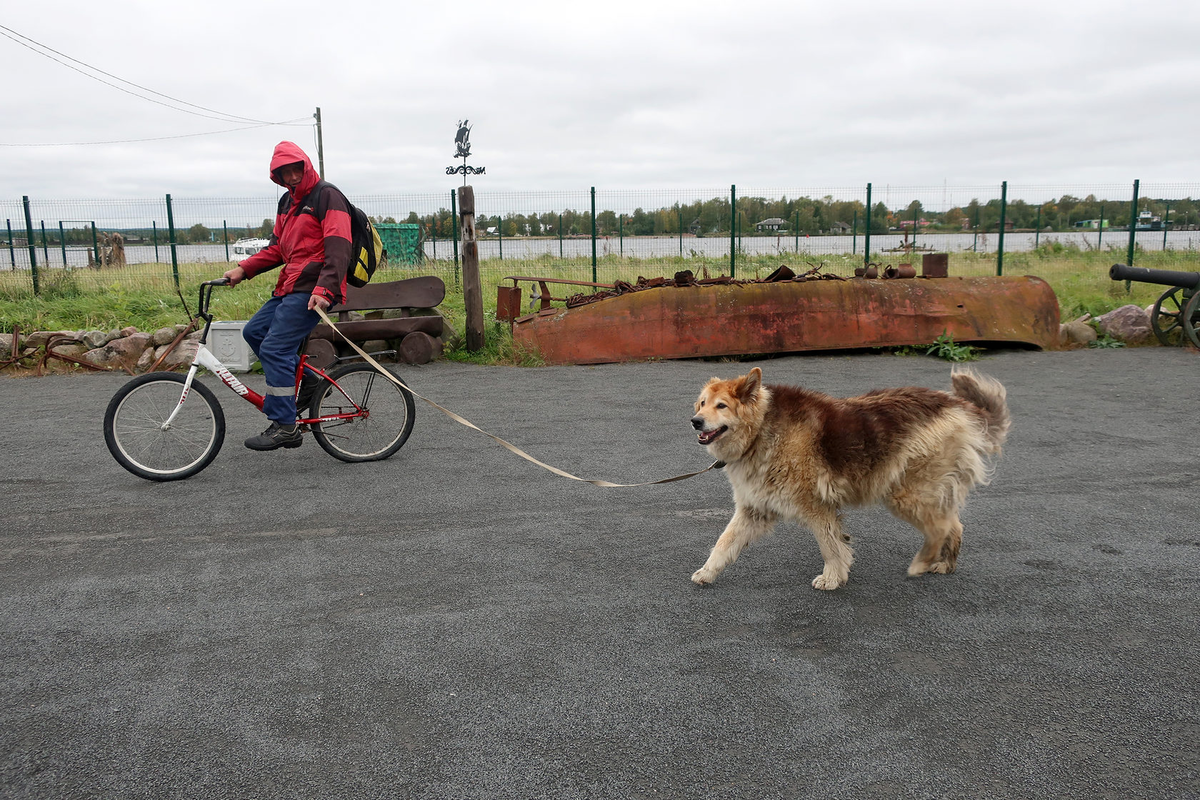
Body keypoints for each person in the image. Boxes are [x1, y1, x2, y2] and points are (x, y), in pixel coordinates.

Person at [223, 141, 352, 451]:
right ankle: (309, 381)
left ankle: (285, 425)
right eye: (285, 173)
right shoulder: (287, 202)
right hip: (290, 285)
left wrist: (325, 289)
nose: (292, 177)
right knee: (254, 332)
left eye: (296, 169)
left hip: (314, 288)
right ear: (277, 176)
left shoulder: (327, 195)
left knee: (276, 348)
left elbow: (339, 246)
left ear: (305, 166)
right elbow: (278, 249)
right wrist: (244, 269)